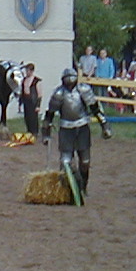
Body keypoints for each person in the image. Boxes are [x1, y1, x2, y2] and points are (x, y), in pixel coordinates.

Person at [42, 67, 111, 196]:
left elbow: (95, 109)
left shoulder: (83, 90)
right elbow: (49, 114)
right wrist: (46, 133)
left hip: (82, 128)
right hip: (66, 129)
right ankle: (68, 190)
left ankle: (83, 188)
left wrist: (104, 125)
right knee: (65, 162)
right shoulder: (59, 93)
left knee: (85, 161)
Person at [19, 62, 41, 136]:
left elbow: (39, 94)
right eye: (26, 70)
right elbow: (22, 91)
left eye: (28, 70)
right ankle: (29, 131)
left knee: (33, 118)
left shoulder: (36, 81)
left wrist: (38, 105)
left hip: (33, 100)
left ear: (31, 71)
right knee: (27, 117)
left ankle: (35, 132)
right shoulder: (24, 80)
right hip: (26, 100)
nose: (26, 72)